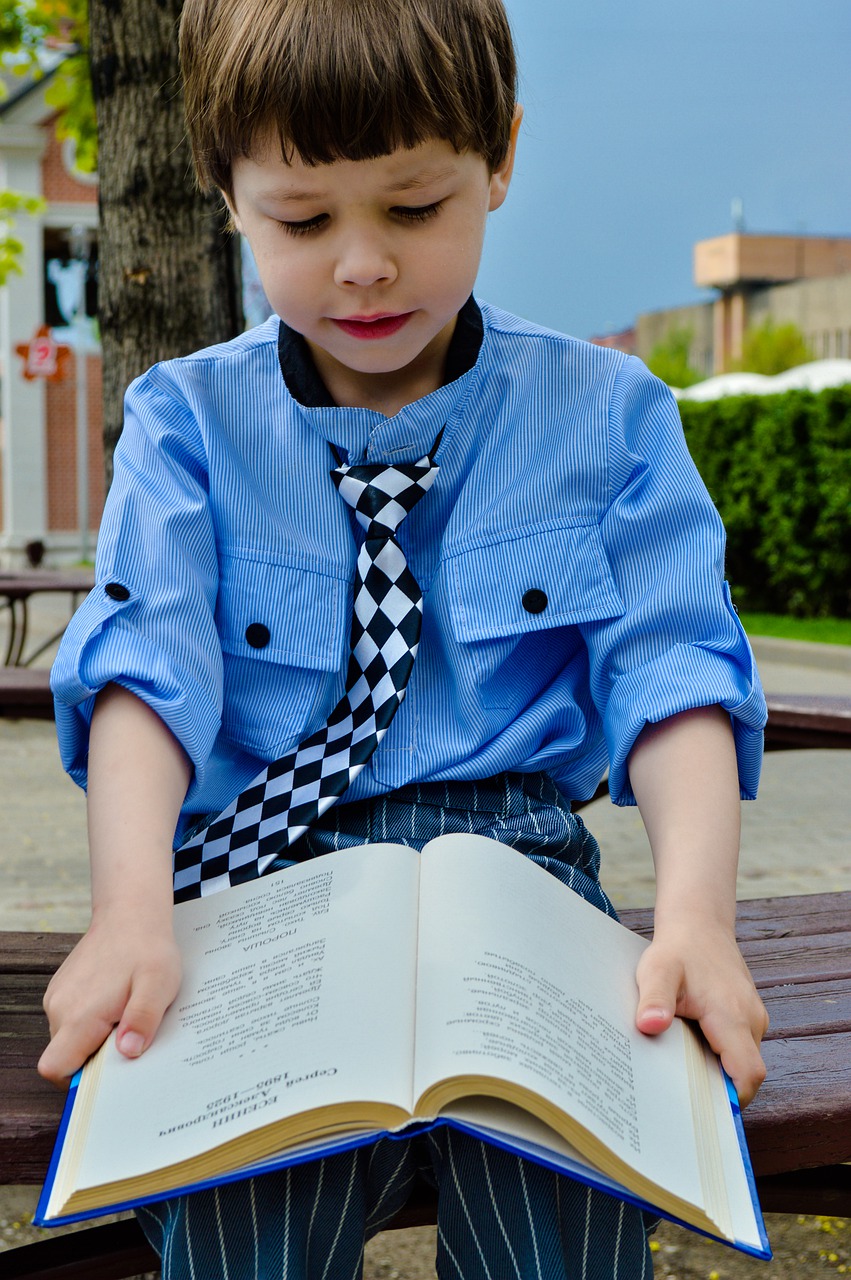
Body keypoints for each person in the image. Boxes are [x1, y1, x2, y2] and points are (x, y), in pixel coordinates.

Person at [40, 0, 769, 1275]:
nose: (362, 265)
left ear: (499, 158)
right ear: (227, 193)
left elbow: (671, 672)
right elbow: (148, 674)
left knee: (567, 1205)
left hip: (522, 880)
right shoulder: (185, 424)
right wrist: (129, 909)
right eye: (303, 221)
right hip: (268, 890)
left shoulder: (604, 415)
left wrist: (696, 914)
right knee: (238, 1217)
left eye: (414, 209)